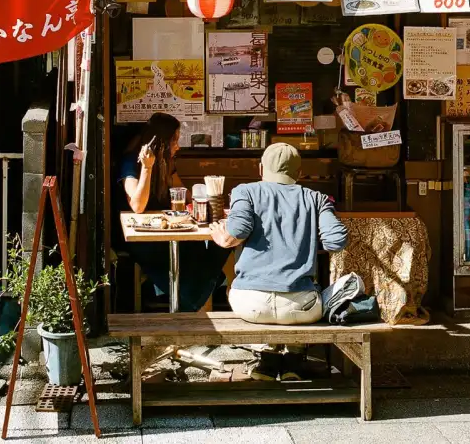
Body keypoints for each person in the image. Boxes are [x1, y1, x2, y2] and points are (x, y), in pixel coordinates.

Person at [209, 142, 348, 379]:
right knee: (332, 287)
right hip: (301, 307)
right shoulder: (317, 198)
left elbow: (238, 231)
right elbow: (336, 241)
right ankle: (293, 361)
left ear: (261, 169)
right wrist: (306, 237)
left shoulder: (245, 191)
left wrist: (222, 237)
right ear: (299, 173)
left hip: (249, 305)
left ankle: (268, 362)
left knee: (246, 292)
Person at [118, 112, 230, 312]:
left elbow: (183, 193)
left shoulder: (167, 162)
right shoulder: (130, 162)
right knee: (191, 255)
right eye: (174, 140)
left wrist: (204, 199)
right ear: (161, 142)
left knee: (202, 249)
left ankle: (190, 306)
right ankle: (189, 305)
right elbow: (137, 205)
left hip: (169, 233)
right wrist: (147, 167)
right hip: (144, 238)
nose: (177, 146)